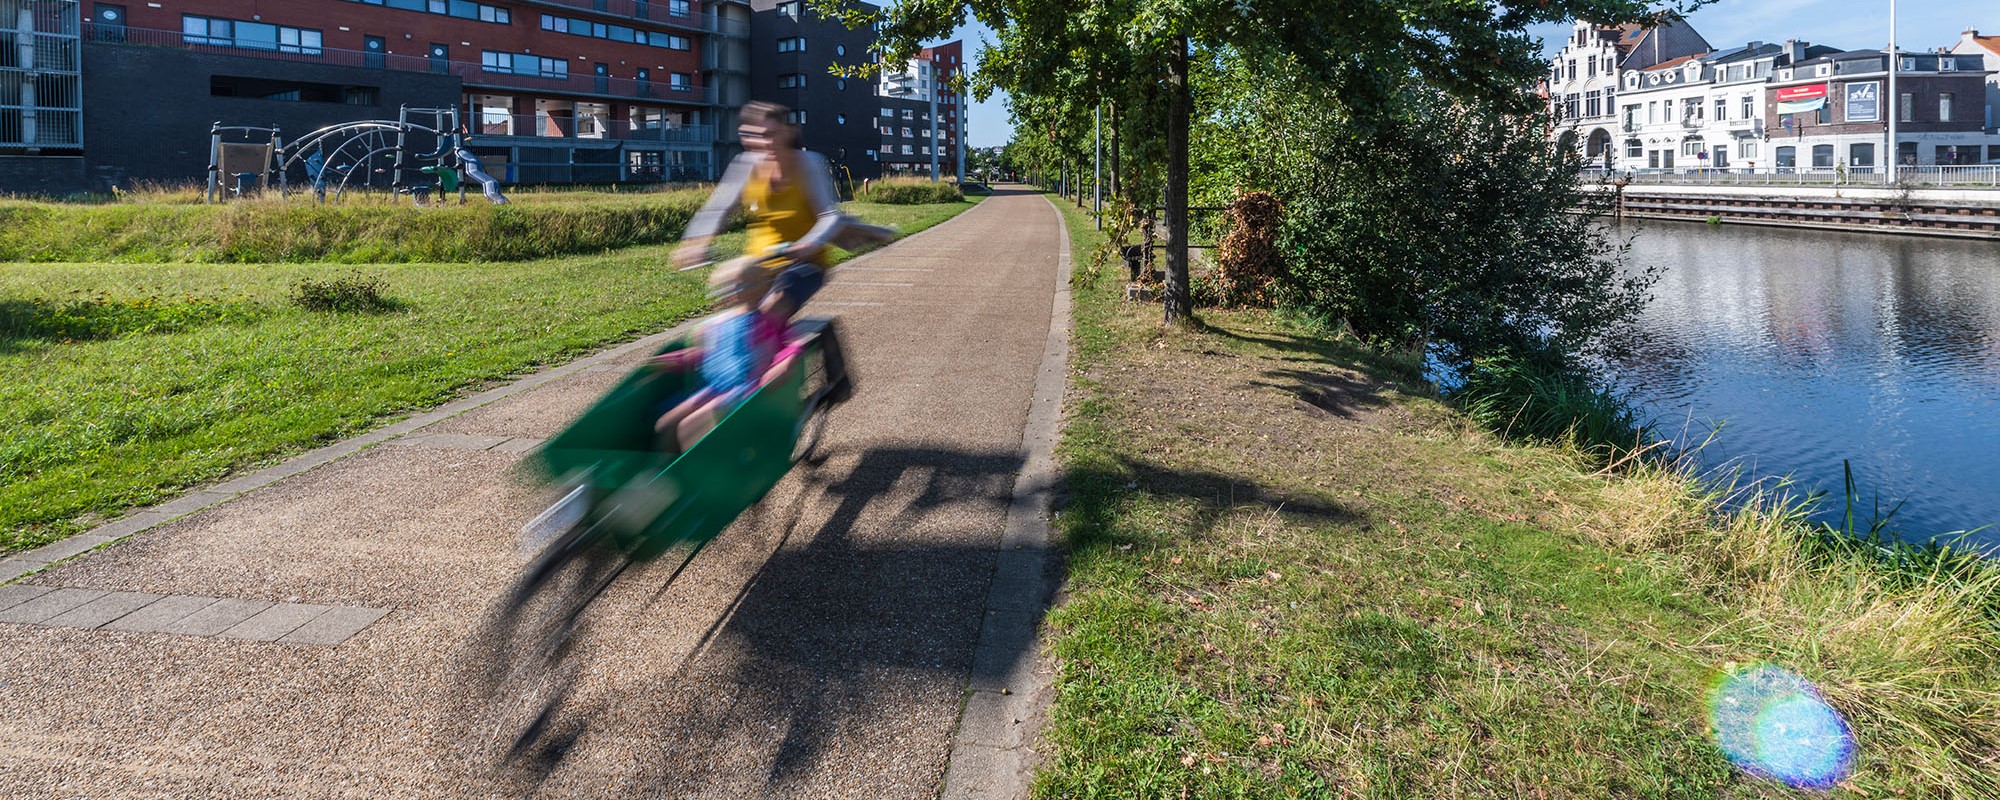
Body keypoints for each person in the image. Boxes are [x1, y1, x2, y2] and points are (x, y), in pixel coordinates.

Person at [673, 101, 892, 321]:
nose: (765, 143)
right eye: (754, 136)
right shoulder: (745, 165)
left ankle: (789, 353)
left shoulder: (809, 164)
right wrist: (697, 242)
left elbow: (829, 215)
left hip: (804, 263)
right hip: (758, 264)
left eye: (771, 134)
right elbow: (719, 208)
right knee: (729, 315)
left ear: (788, 133)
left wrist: (807, 244)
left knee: (773, 309)